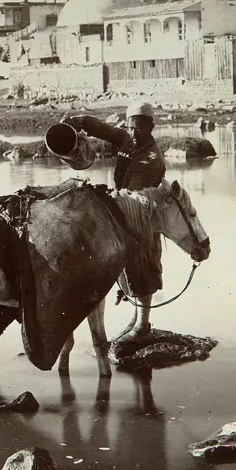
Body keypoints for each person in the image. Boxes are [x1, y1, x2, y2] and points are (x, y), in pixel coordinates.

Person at [62, 102, 166, 345]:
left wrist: (103, 199)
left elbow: (132, 195)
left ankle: (142, 326)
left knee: (144, 267)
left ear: (150, 127)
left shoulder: (152, 158)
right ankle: (136, 319)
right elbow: (103, 129)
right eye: (130, 126)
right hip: (124, 212)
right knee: (127, 268)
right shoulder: (128, 140)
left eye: (138, 128)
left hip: (142, 218)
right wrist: (79, 121)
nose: (133, 132)